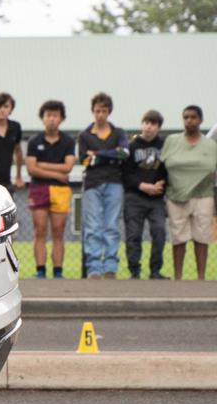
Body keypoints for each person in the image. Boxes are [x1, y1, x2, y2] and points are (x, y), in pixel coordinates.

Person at [160, 105, 217, 280]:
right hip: (176, 195)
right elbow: (162, 165)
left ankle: (201, 277)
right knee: (178, 237)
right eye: (186, 117)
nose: (189, 121)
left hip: (203, 194)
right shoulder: (172, 141)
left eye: (193, 117)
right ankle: (178, 277)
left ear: (200, 120)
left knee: (201, 236)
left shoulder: (211, 145)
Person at [77, 92, 129, 279]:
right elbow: (83, 160)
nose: (100, 115)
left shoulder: (119, 132)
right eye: (97, 111)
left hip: (114, 183)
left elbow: (124, 154)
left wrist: (97, 155)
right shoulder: (84, 135)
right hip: (92, 184)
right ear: (93, 111)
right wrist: (110, 154)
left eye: (104, 111)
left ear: (109, 112)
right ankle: (94, 268)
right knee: (93, 226)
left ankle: (110, 267)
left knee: (112, 225)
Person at [25, 100, 76, 279]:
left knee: (58, 232)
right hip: (38, 188)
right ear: (42, 118)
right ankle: (40, 270)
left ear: (61, 118)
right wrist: (56, 173)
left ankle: (58, 272)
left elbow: (68, 167)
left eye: (55, 115)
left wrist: (42, 165)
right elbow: (31, 168)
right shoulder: (34, 141)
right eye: (48, 115)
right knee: (39, 231)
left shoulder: (68, 141)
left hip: (61, 190)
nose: (52, 119)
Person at [123, 110, 168, 280]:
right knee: (134, 234)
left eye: (153, 124)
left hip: (156, 199)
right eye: (146, 123)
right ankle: (134, 271)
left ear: (158, 127)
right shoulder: (131, 146)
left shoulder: (164, 146)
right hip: (134, 197)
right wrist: (142, 186)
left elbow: (167, 170)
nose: (148, 127)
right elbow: (125, 173)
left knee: (159, 231)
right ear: (142, 124)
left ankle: (155, 270)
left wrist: (160, 184)